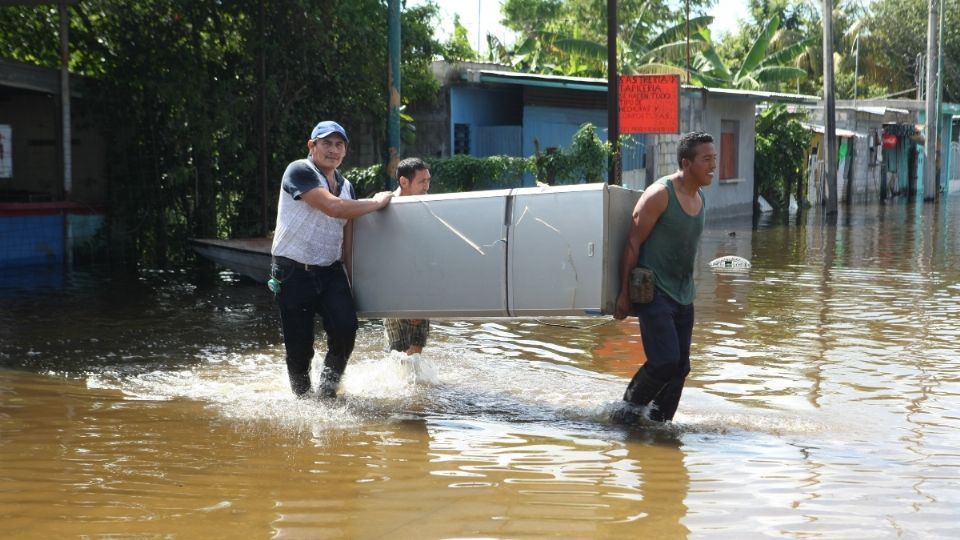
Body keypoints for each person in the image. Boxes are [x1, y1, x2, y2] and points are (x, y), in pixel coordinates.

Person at [270, 120, 393, 398]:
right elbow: (333, 207)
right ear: (312, 146)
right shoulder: (299, 170)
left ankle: (327, 392)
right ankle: (303, 400)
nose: (333, 150)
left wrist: (352, 279)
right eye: (326, 143)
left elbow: (347, 239)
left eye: (339, 145)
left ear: (345, 152)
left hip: (330, 270)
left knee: (346, 329)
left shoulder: (346, 186)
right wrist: (377, 202)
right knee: (300, 348)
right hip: (293, 271)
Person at [613, 131, 716, 422]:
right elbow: (632, 243)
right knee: (664, 361)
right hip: (654, 291)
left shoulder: (701, 199)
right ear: (686, 163)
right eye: (706, 159)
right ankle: (627, 412)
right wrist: (623, 294)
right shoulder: (660, 195)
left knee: (681, 367)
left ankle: (659, 424)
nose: (713, 165)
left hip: (684, 294)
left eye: (714, 159)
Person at [384, 157, 432, 355]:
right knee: (398, 354)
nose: (427, 187)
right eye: (422, 182)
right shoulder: (385, 206)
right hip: (395, 292)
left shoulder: (428, 206)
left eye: (428, 181)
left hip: (421, 288)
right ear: (404, 182)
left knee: (416, 352)